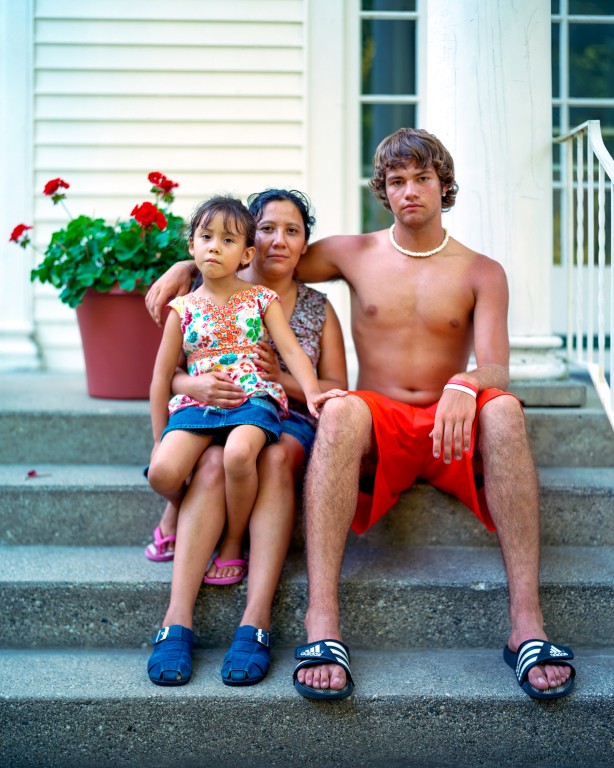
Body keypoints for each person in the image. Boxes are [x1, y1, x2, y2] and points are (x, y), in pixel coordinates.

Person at [287, 127, 575, 701]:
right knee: (340, 413)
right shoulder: (353, 252)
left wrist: (466, 384)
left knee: (507, 412)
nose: (410, 190)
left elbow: (497, 367)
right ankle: (321, 624)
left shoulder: (480, 270)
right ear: (384, 191)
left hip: (451, 429)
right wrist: (184, 272)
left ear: (444, 186)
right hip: (380, 421)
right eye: (397, 181)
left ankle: (527, 627)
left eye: (423, 178)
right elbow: (267, 258)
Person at [145, 189, 348, 686]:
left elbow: (336, 388)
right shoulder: (200, 292)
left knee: (271, 459)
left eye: (293, 231)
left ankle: (254, 620)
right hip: (208, 408)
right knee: (211, 465)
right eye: (268, 228)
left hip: (282, 413)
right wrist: (193, 384)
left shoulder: (315, 308)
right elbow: (169, 374)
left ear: (304, 246)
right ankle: (177, 620)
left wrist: (282, 381)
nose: (279, 239)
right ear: (250, 240)